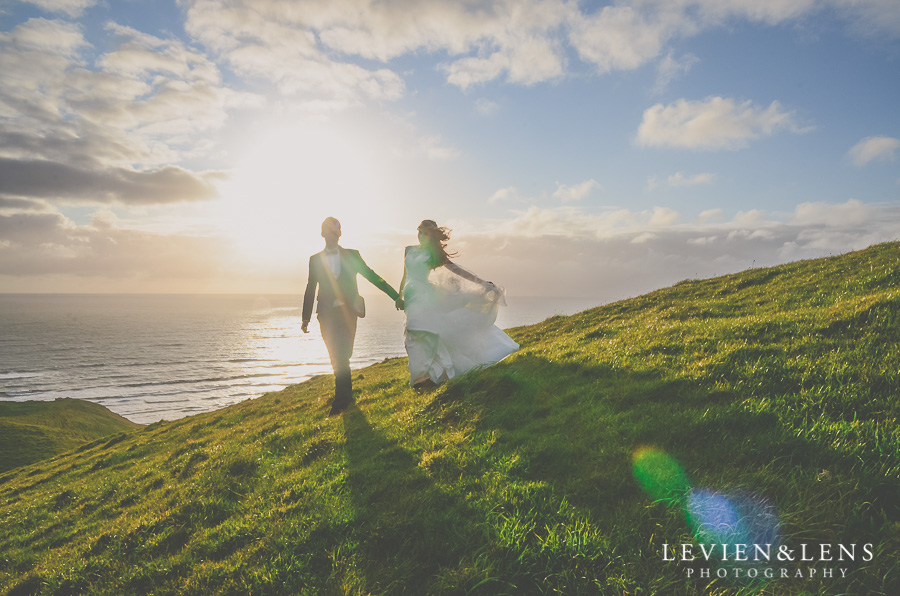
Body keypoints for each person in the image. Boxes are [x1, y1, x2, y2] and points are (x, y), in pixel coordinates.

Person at [397, 220, 518, 389]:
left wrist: (482, 283)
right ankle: (426, 375)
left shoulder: (434, 254)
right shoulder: (408, 250)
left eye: (425, 233)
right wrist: (399, 295)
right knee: (415, 334)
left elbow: (457, 270)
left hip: (425, 298)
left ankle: (421, 379)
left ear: (432, 236)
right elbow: (405, 275)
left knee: (417, 330)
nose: (421, 236)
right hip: (411, 298)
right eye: (419, 232)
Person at [302, 217, 401, 415]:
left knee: (343, 354)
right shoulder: (314, 260)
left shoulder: (353, 256)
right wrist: (305, 318)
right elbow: (310, 288)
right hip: (326, 315)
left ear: (340, 233)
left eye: (336, 231)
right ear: (323, 234)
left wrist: (395, 296)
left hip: (349, 313)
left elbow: (372, 276)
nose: (333, 234)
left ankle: (343, 399)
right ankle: (344, 400)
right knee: (337, 356)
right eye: (329, 231)